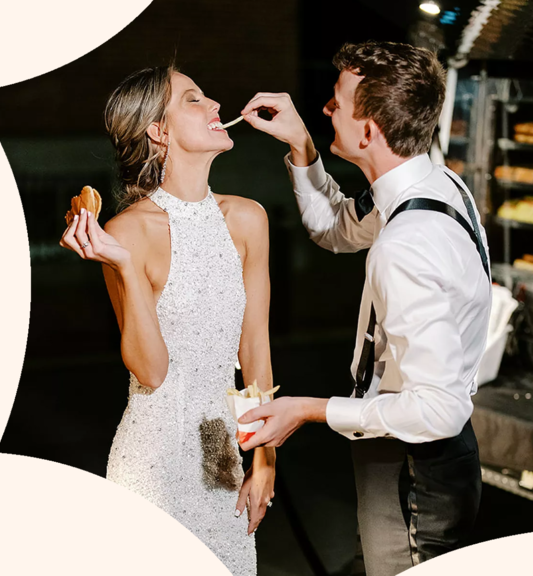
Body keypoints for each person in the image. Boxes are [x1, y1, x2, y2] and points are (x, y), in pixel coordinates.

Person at [237, 41, 491, 576]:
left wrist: (309, 409)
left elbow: (438, 410)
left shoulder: (406, 243)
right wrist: (304, 145)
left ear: (369, 131)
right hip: (411, 455)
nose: (326, 108)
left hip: (414, 465)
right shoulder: (435, 183)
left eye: (336, 101)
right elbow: (335, 229)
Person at [60, 66, 276, 576]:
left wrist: (264, 459)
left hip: (222, 461)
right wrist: (127, 268)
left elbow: (254, 352)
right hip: (150, 470)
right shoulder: (128, 231)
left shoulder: (249, 219)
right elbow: (151, 373)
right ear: (159, 131)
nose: (215, 105)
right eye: (194, 100)